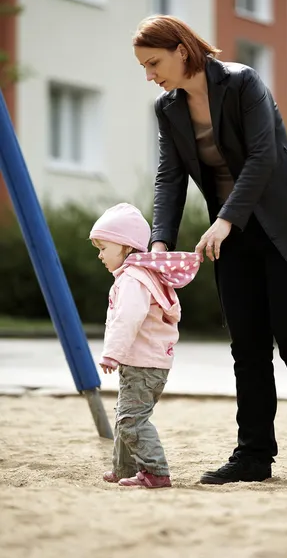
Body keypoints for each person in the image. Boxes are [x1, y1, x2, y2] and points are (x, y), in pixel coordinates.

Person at [132, 15, 287, 487]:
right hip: (232, 237)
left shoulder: (243, 82)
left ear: (182, 51)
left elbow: (266, 157)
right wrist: (160, 241)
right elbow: (170, 176)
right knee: (248, 349)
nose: (150, 75)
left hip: (284, 230)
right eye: (143, 67)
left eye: (154, 62)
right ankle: (254, 456)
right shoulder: (168, 109)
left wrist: (223, 219)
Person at [89, 202, 201, 489]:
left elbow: (127, 318)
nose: (100, 255)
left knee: (131, 420)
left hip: (142, 364)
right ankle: (122, 467)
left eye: (103, 247)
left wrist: (112, 353)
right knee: (125, 416)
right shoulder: (143, 275)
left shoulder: (132, 279)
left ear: (125, 246)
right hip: (149, 363)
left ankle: (155, 472)